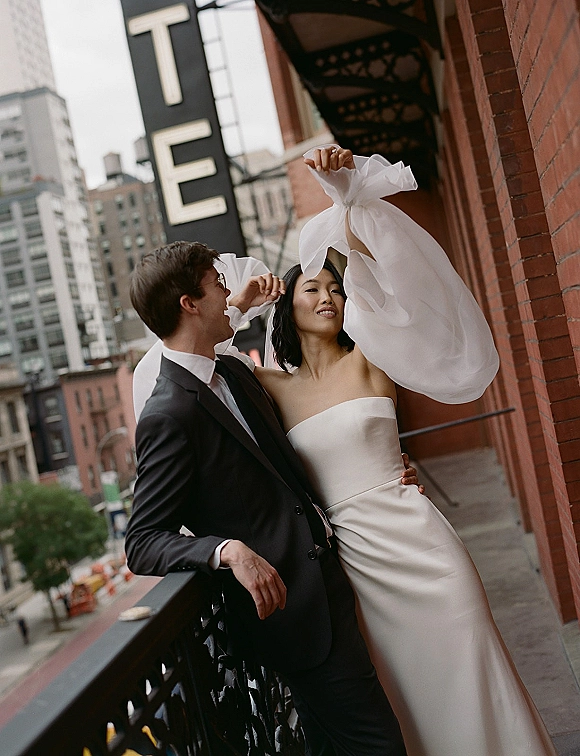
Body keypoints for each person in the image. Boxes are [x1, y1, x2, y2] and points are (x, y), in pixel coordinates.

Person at [247, 146, 554, 756]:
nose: (329, 296)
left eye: (335, 288)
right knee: (409, 690)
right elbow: (199, 370)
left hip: (420, 538)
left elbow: (393, 281)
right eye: (313, 288)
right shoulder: (270, 388)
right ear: (286, 303)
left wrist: (347, 197)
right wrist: (236, 306)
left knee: (471, 651)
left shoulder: (373, 356)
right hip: (356, 562)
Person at [125, 240, 414, 756]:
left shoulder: (232, 371)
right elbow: (143, 542)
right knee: (381, 745)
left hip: (333, 579)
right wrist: (225, 550)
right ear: (190, 304)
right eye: (217, 285)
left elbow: (295, 453)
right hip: (293, 616)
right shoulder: (167, 413)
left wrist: (380, 469)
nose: (228, 294)